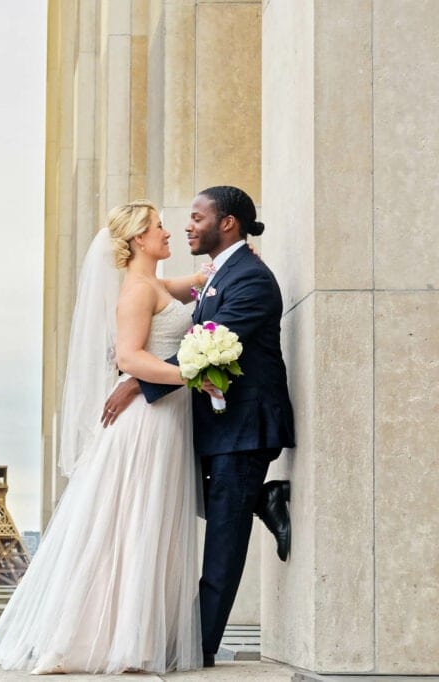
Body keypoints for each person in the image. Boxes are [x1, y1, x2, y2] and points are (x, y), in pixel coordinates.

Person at [0, 201, 212, 674]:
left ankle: (130, 638)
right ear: (136, 240)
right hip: (148, 421)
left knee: (139, 524)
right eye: (159, 227)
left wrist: (215, 268)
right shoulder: (135, 292)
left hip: (162, 418)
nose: (168, 233)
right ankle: (108, 639)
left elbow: (187, 287)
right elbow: (128, 359)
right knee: (131, 523)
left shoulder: (150, 284)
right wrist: (191, 373)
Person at [103, 186, 295, 667]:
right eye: (176, 221)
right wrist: (136, 369)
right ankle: (263, 499)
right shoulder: (222, 272)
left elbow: (212, 345)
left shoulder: (249, 279)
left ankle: (198, 646)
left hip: (245, 427)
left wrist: (138, 383)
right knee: (192, 503)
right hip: (217, 424)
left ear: (226, 223)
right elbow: (172, 305)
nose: (184, 225)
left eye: (196, 217)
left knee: (223, 541)